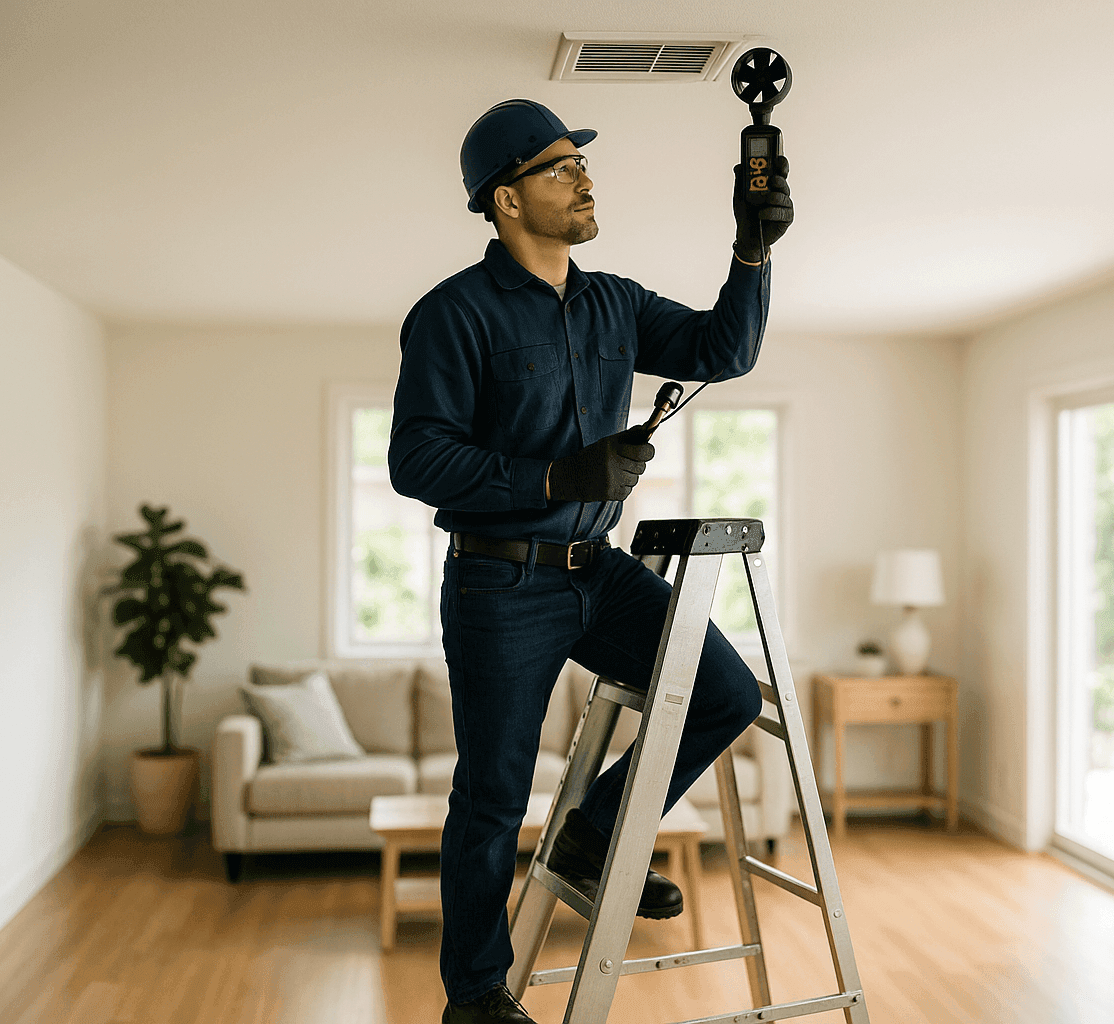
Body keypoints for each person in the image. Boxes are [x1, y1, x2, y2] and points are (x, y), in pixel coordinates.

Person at [388, 98, 793, 1024]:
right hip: (498, 583)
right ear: (506, 200)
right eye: (561, 168)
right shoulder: (453, 314)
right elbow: (415, 459)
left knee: (726, 693)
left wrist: (753, 251)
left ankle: (595, 834)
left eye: (582, 164)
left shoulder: (613, 301)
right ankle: (476, 994)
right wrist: (556, 472)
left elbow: (720, 350)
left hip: (599, 571)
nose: (584, 179)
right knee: (490, 791)